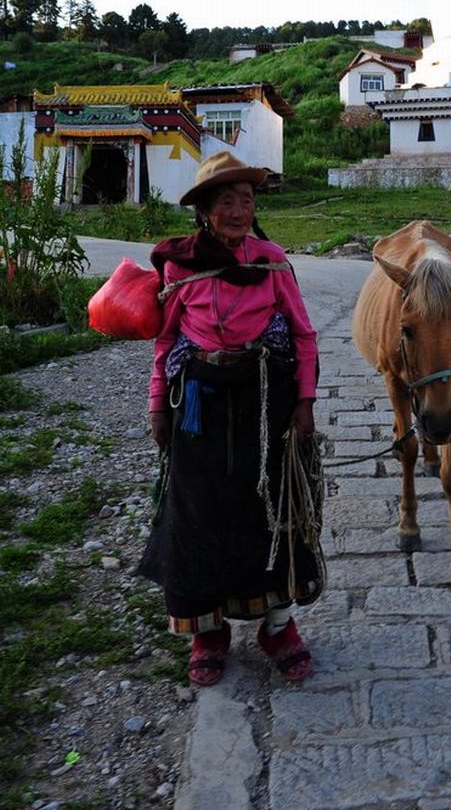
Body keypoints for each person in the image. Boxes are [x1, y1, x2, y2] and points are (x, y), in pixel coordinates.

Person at [137, 151, 324, 687]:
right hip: (196, 402)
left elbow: (304, 334)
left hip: (264, 399)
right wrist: (156, 403)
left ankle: (278, 626)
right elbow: (166, 340)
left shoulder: (271, 261)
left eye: (247, 200)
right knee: (198, 513)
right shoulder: (179, 267)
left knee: (272, 508)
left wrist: (305, 401)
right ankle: (208, 632)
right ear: (204, 211)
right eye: (227, 201)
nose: (240, 210)